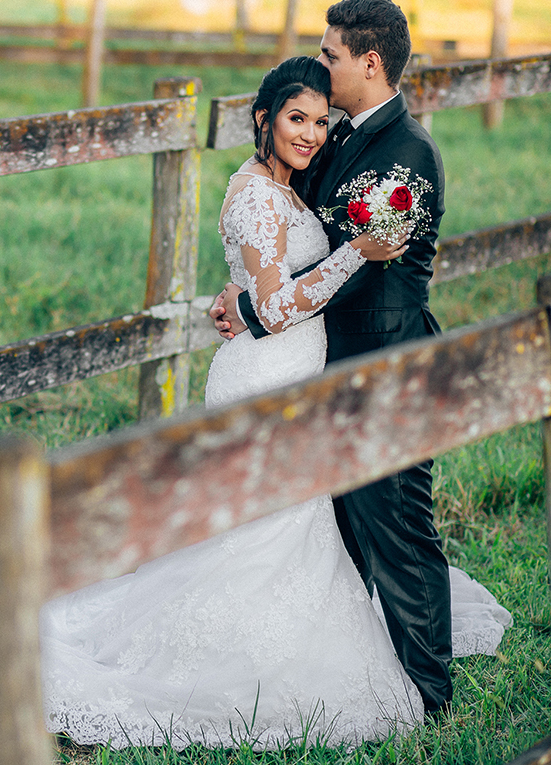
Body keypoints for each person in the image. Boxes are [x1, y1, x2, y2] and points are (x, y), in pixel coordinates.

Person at [41, 54, 511, 751]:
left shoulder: (292, 185)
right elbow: (277, 304)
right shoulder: (258, 195)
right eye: (297, 118)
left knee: (292, 528)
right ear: (263, 119)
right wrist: (359, 251)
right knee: (257, 533)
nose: (313, 133)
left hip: (299, 377)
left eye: (322, 121)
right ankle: (217, 661)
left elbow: (267, 287)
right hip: (265, 376)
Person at [213, 0, 454, 715]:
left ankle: (431, 693)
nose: (321, 65)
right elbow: (286, 239)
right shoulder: (341, 137)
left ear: (368, 62)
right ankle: (337, 671)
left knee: (398, 525)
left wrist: (255, 307)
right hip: (314, 365)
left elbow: (363, 269)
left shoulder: (408, 157)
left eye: (329, 55)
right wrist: (242, 287)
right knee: (328, 531)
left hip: (385, 366)